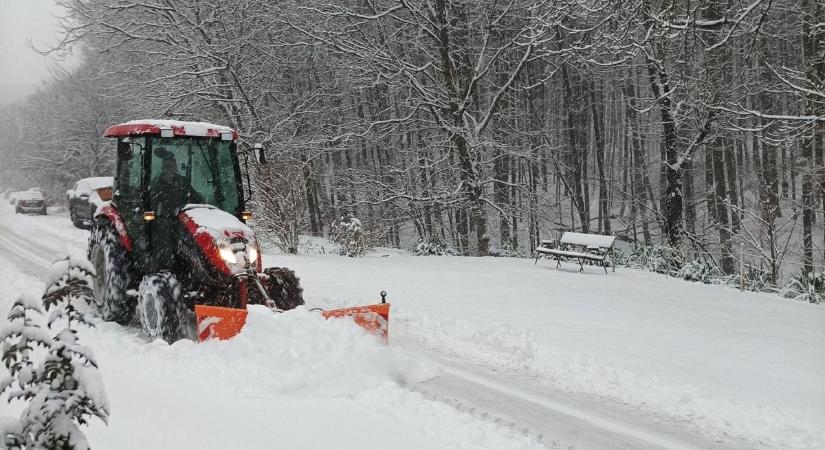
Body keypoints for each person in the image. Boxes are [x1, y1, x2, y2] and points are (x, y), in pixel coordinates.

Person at [150, 149, 203, 216]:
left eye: (172, 166)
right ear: (163, 168)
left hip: (181, 218)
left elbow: (196, 198)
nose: (170, 169)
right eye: (167, 167)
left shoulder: (183, 182)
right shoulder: (156, 184)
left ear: (176, 167)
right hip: (161, 218)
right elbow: (151, 204)